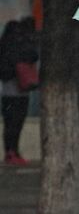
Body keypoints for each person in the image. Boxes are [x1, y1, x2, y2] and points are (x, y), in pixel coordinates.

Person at [0, 17, 39, 166]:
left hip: (8, 92)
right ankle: (13, 152)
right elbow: (33, 56)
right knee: (16, 123)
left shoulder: (4, 46)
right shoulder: (20, 47)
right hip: (20, 91)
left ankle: (10, 152)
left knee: (10, 124)